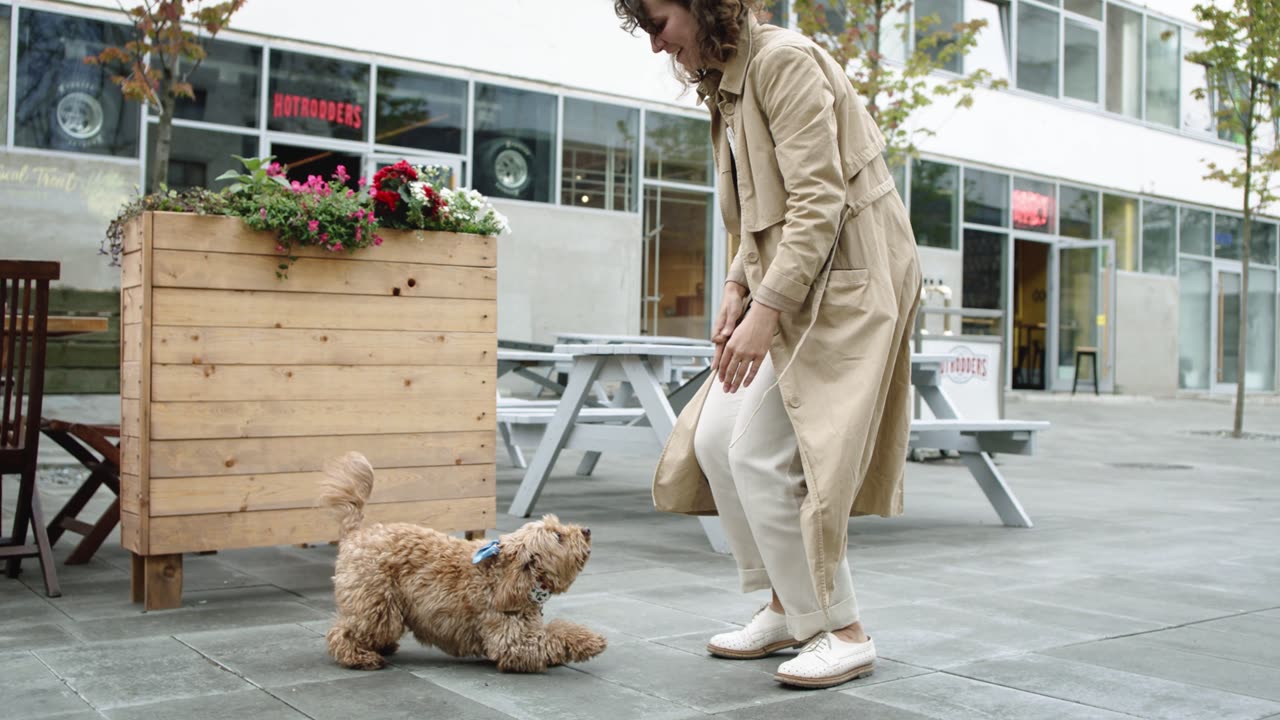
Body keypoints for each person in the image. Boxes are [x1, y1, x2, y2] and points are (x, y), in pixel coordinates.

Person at [614, 0, 923, 690]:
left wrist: (764, 311)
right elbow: (759, 210)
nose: (657, 45)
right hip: (796, 279)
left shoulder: (781, 63)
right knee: (714, 437)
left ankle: (842, 631)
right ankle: (788, 607)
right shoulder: (726, 81)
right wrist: (735, 285)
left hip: (845, 282)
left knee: (763, 450)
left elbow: (818, 202)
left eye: (660, 24)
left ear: (701, 7)